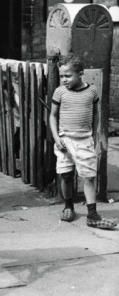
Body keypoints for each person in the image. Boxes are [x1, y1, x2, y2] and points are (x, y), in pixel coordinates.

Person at [49, 53, 116, 229]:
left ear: (80, 74)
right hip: (64, 141)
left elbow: (95, 115)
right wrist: (57, 138)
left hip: (84, 140)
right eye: (62, 76)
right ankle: (68, 206)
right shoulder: (60, 92)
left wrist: (94, 136)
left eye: (68, 75)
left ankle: (92, 215)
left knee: (89, 177)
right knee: (66, 175)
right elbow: (53, 116)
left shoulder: (91, 91)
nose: (64, 79)